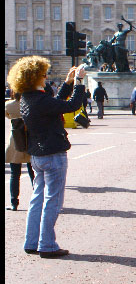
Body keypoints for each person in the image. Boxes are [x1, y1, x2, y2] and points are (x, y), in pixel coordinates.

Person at [8, 56, 85, 258]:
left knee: (37, 199)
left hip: (37, 155)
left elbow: (55, 103)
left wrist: (67, 83)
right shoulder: (40, 100)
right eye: (43, 75)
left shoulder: (27, 98)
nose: (46, 77)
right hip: (53, 153)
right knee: (53, 201)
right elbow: (72, 105)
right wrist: (79, 83)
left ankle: (32, 242)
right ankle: (47, 245)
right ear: (35, 77)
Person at [6, 91, 34, 211]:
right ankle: (39, 200)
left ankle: (14, 203)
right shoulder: (30, 104)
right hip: (29, 139)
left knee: (15, 174)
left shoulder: (9, 104)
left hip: (16, 140)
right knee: (34, 174)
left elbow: (8, 115)